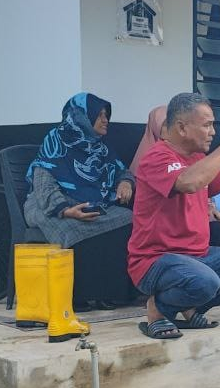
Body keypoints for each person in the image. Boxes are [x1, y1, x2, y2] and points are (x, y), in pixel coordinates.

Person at [127, 92, 220, 340]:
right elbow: (188, 182)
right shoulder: (156, 156)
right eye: (207, 125)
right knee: (205, 281)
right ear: (182, 128)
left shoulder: (198, 159)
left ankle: (187, 305)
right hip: (155, 260)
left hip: (198, 256)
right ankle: (158, 309)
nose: (213, 131)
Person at [24, 92, 137, 308]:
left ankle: (107, 292)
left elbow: (123, 171)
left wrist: (125, 183)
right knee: (72, 228)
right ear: (82, 116)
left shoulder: (100, 147)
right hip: (49, 205)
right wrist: (66, 210)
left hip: (89, 204)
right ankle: (76, 295)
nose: (105, 120)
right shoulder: (55, 141)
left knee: (127, 217)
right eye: (100, 115)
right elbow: (43, 183)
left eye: (107, 115)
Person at [129, 104, 167, 174]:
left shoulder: (182, 148)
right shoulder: (146, 156)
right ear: (154, 125)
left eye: (172, 124)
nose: (169, 128)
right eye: (165, 124)